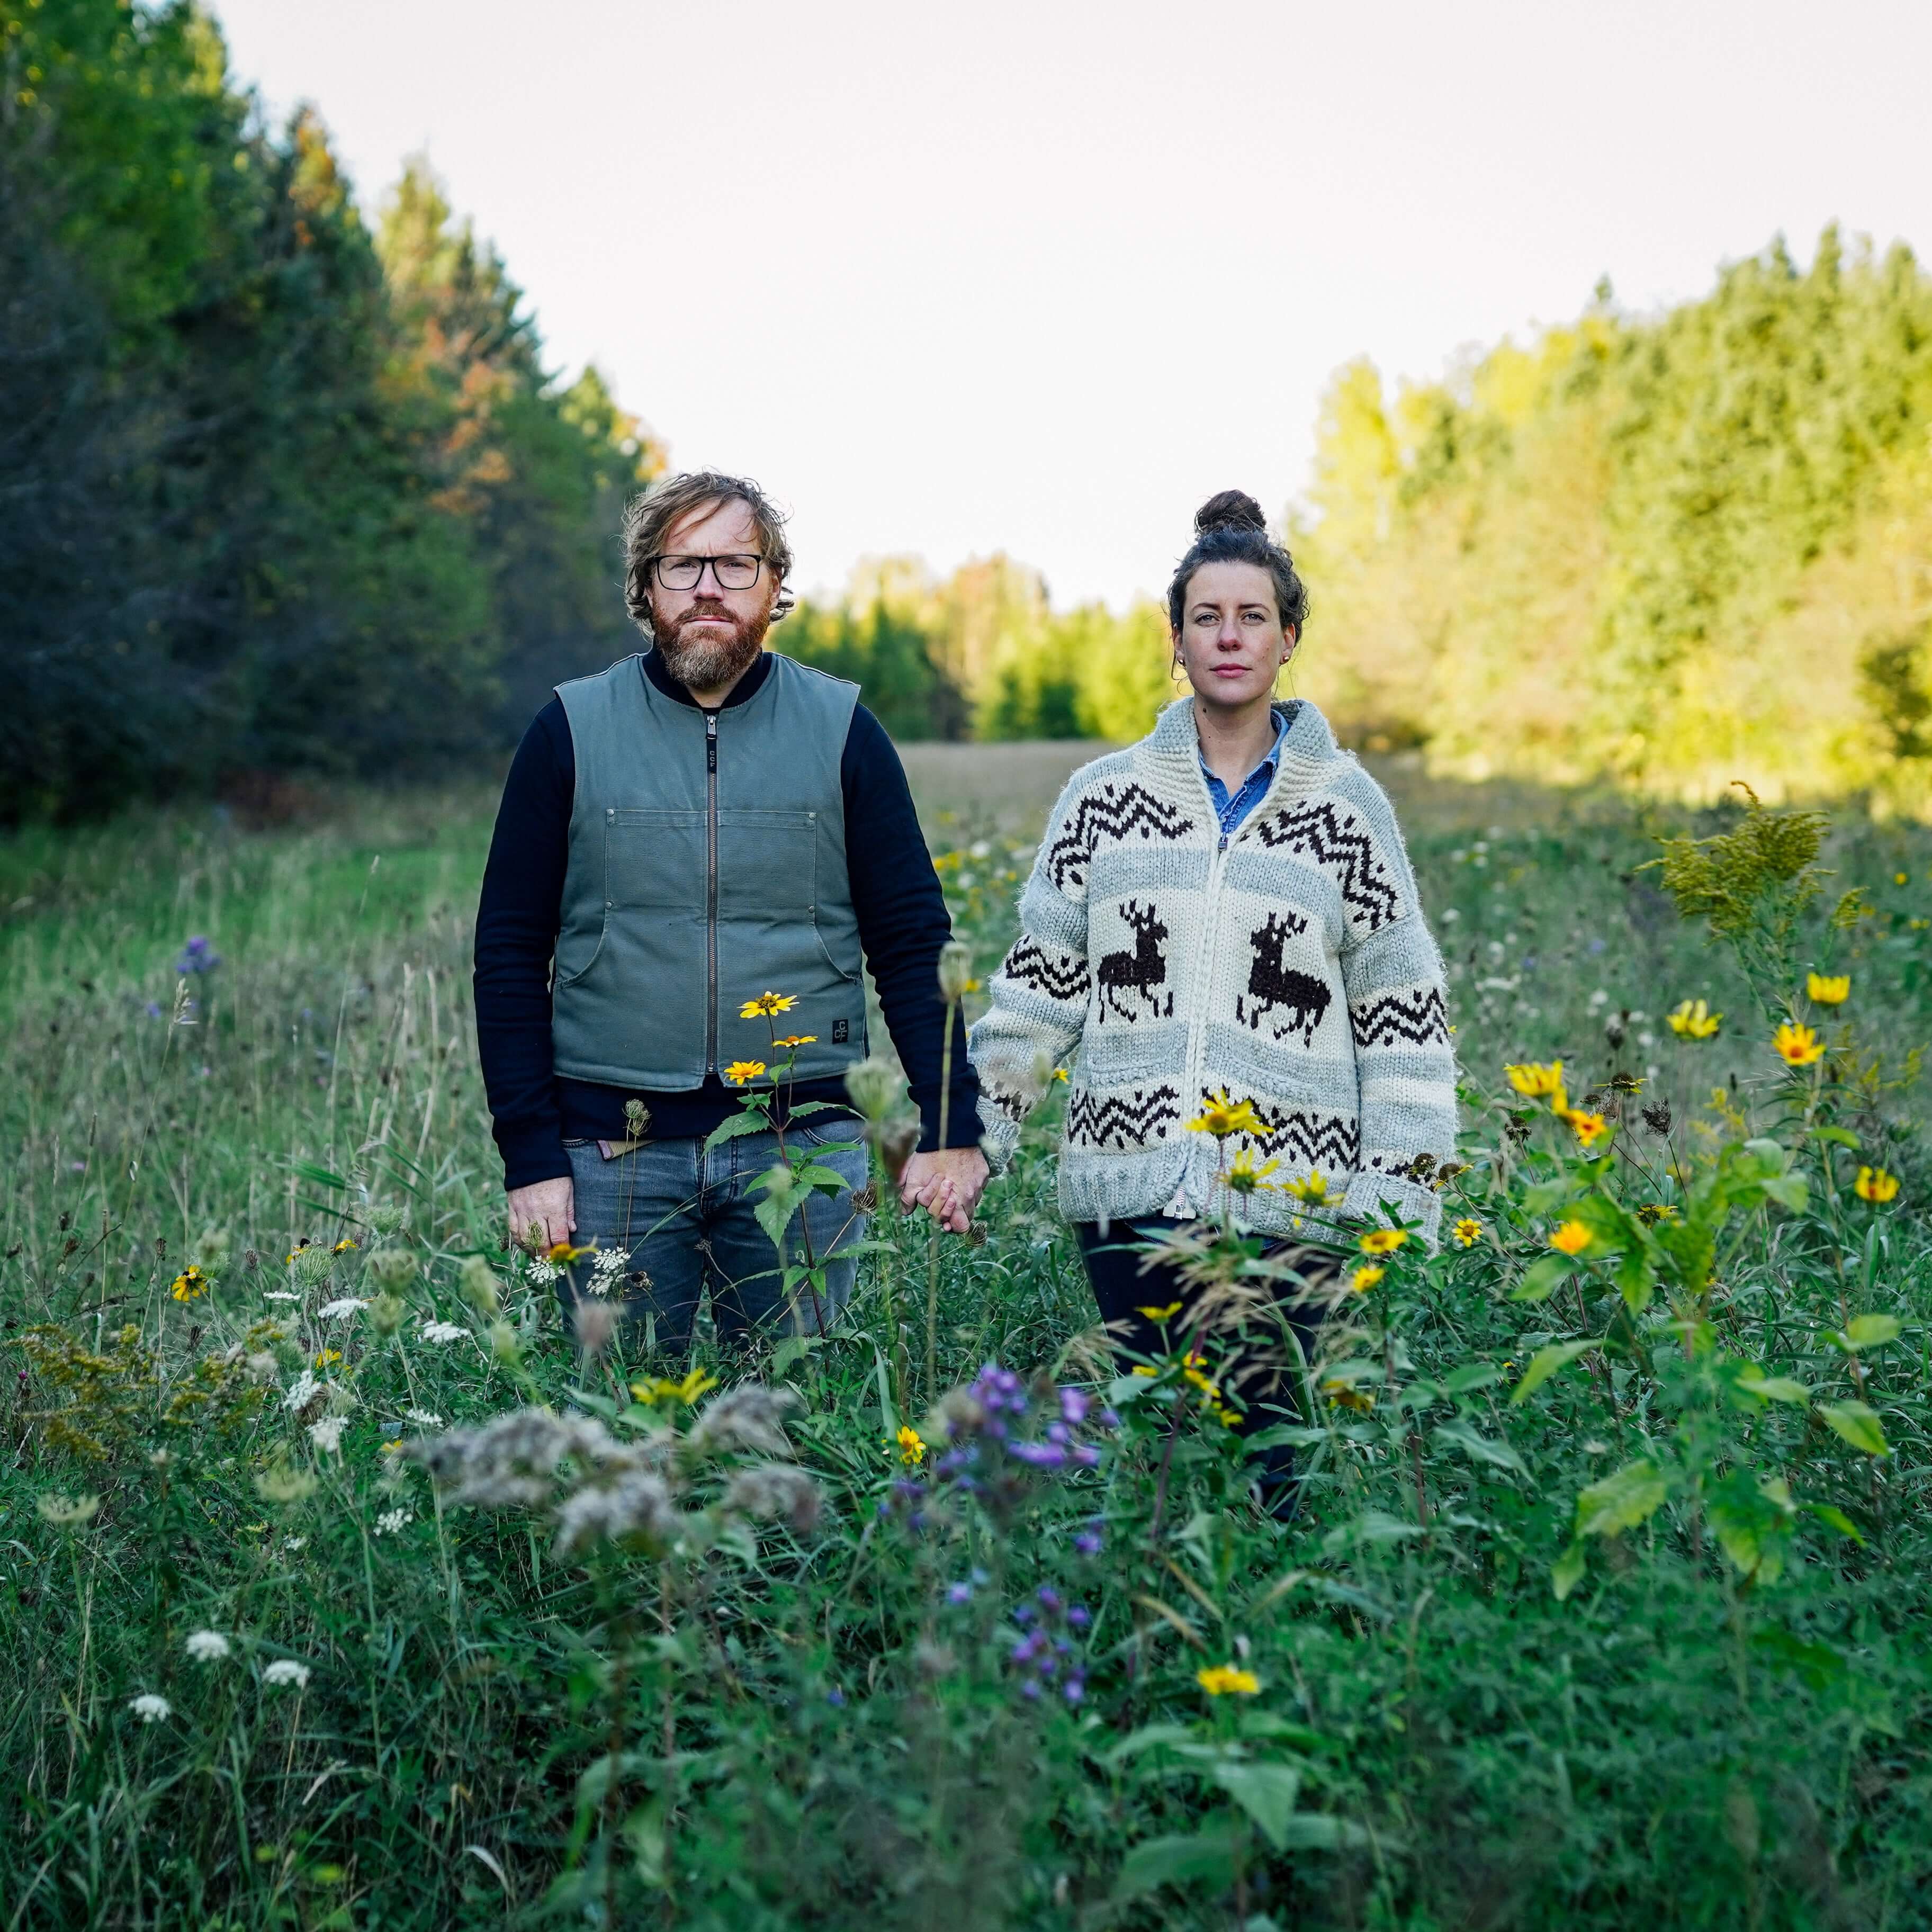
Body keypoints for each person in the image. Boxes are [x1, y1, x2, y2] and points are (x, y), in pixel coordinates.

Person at [967, 489, 1457, 1499]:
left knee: (1271, 1466)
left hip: (1291, 1201)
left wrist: (1397, 1197)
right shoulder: (1103, 799)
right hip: (1127, 1194)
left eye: (1251, 618)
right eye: (1206, 617)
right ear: (1175, 639)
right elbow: (1039, 987)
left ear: (1287, 639)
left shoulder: (1348, 811)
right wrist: (973, 1136)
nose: (1228, 637)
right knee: (1149, 1463)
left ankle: (1269, 1655)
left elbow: (1401, 1012)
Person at [475, 470, 989, 1350]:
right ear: (645, 586)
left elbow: (910, 942)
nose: (708, 585)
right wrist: (531, 1158)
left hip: (801, 1148)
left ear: (774, 586)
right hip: (614, 1156)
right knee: (627, 1436)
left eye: (736, 564)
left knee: (795, 1423)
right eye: (682, 564)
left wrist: (951, 1126)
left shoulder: (843, 731)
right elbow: (511, 952)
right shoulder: (569, 729)